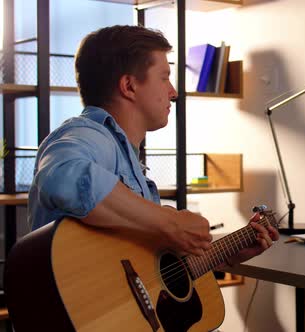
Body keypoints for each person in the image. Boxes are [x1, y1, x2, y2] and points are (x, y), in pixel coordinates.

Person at [27, 25, 279, 267]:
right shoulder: (88, 134)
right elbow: (62, 176)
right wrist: (170, 222)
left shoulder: (128, 163)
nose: (173, 92)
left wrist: (228, 254)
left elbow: (147, 276)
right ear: (129, 86)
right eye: (164, 78)